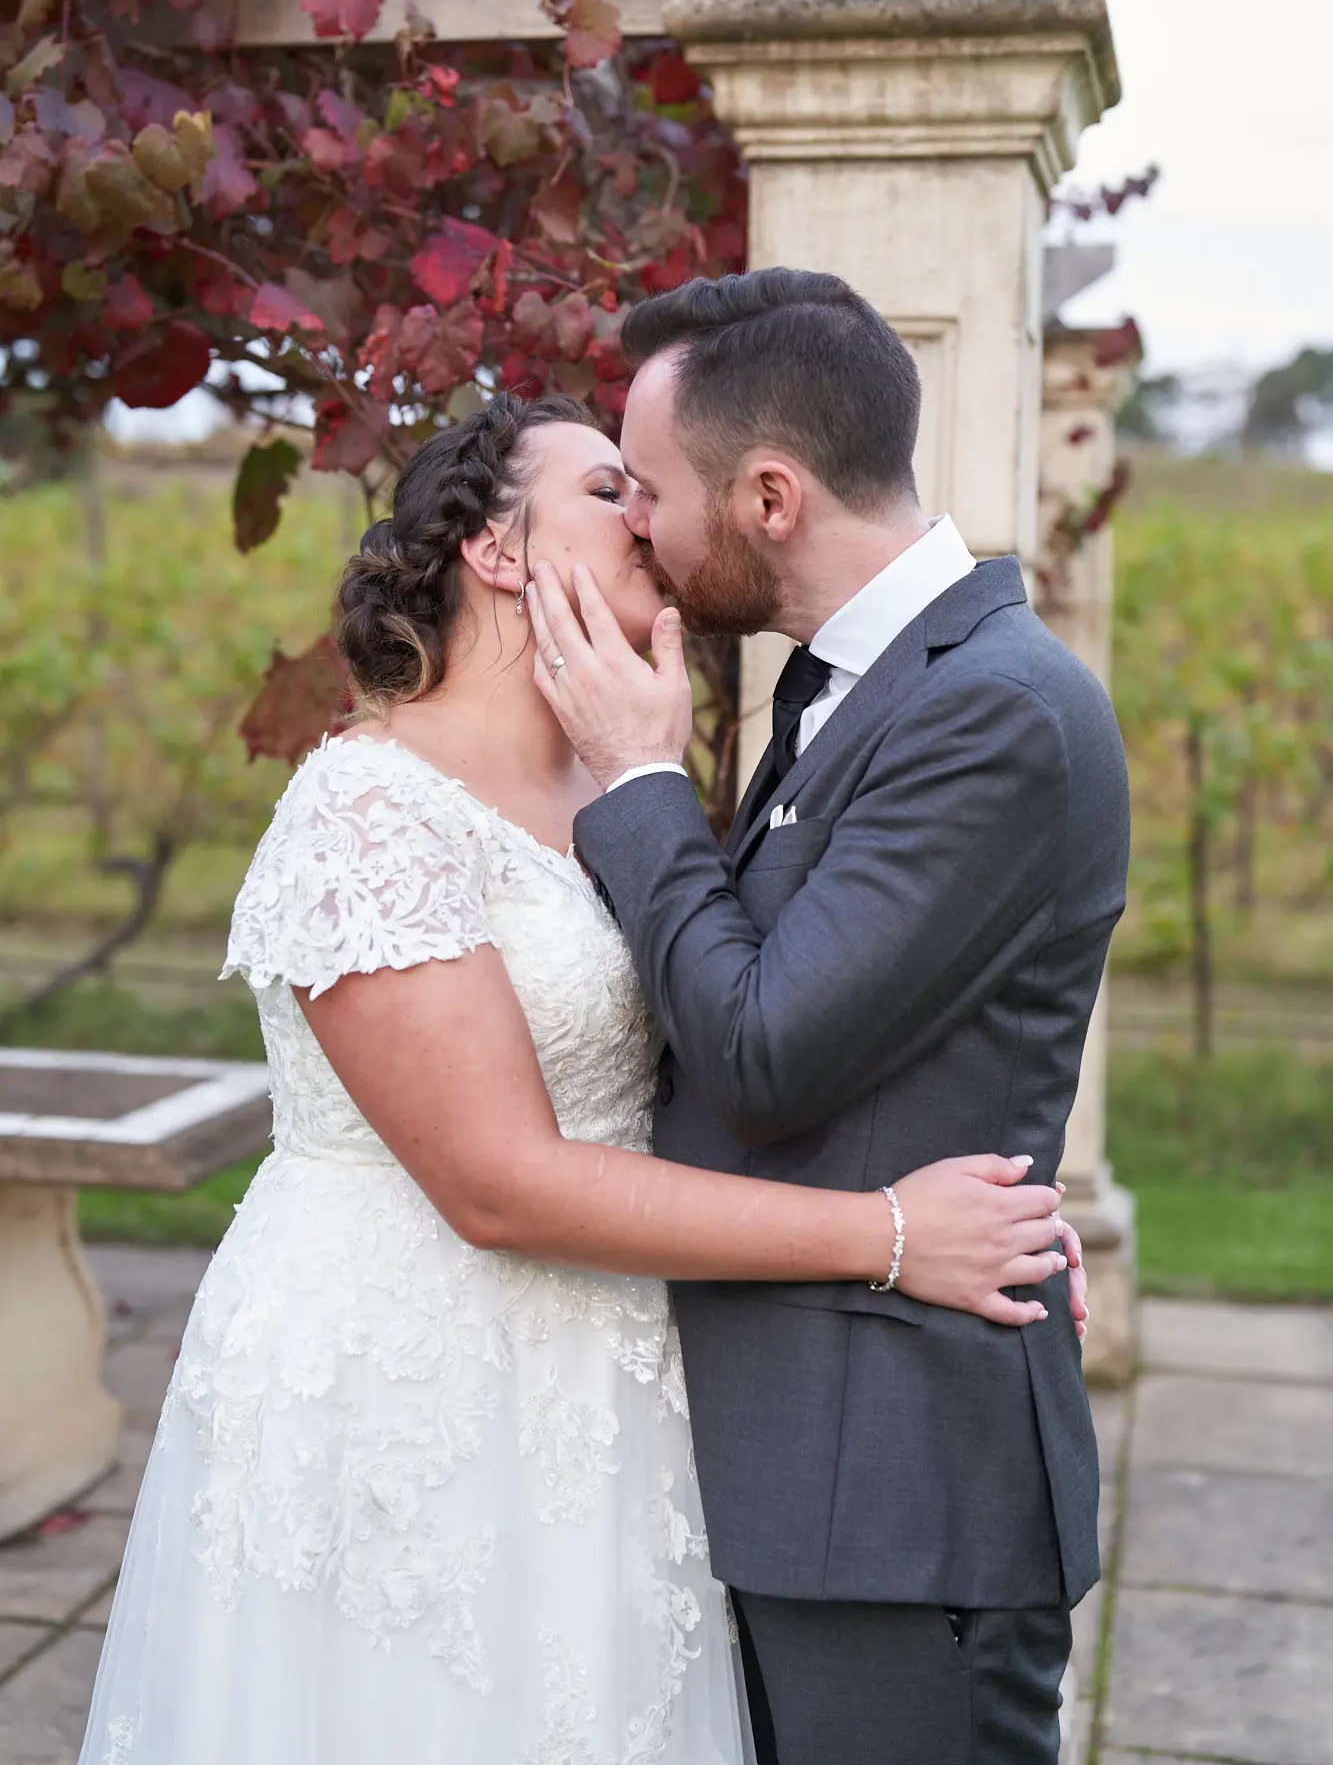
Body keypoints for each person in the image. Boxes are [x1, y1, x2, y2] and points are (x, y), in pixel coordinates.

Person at [79, 391, 1083, 1765]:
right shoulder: (365, 808)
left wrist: (991, 1195)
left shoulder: (621, 793)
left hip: (614, 1390)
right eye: (611, 488)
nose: (652, 516)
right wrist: (893, 1235)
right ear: (497, 551)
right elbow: (497, 1185)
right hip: (410, 1382)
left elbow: (743, 1044)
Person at [526, 269, 1131, 1765]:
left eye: (652, 488)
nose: (641, 528)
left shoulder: (995, 710)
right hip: (802, 1472)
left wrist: (643, 781)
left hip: (898, 1496)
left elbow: (765, 1054)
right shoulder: (853, 690)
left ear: (774, 496)